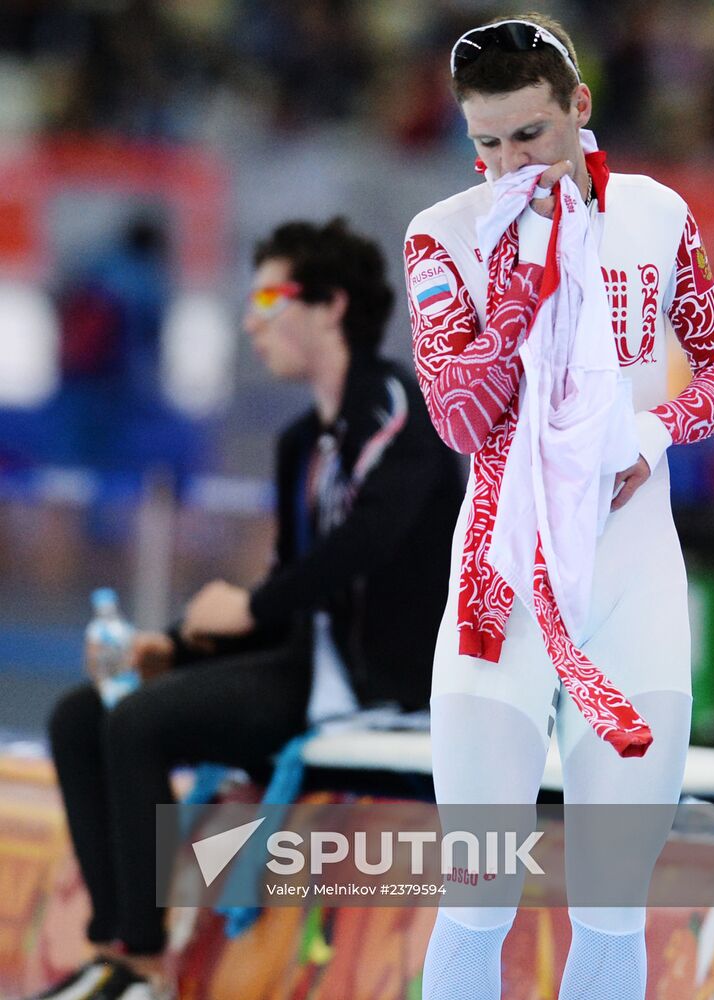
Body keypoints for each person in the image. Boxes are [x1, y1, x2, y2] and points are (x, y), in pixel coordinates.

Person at [403, 13, 714, 1000]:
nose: (509, 160)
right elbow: (461, 420)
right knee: (473, 896)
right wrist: (517, 283)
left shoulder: (655, 214)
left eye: (529, 135)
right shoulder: (444, 234)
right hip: (498, 596)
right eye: (486, 142)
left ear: (577, 109)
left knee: (608, 903)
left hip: (628, 588)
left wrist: (655, 430)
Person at [39, 218, 463, 1000]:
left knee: (139, 723)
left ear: (331, 306)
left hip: (381, 681)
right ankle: (114, 942)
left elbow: (370, 540)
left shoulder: (396, 401)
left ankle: (141, 961)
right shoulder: (302, 440)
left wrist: (251, 605)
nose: (250, 319)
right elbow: (293, 584)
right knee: (82, 713)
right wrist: (176, 644)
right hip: (309, 655)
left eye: (269, 296)